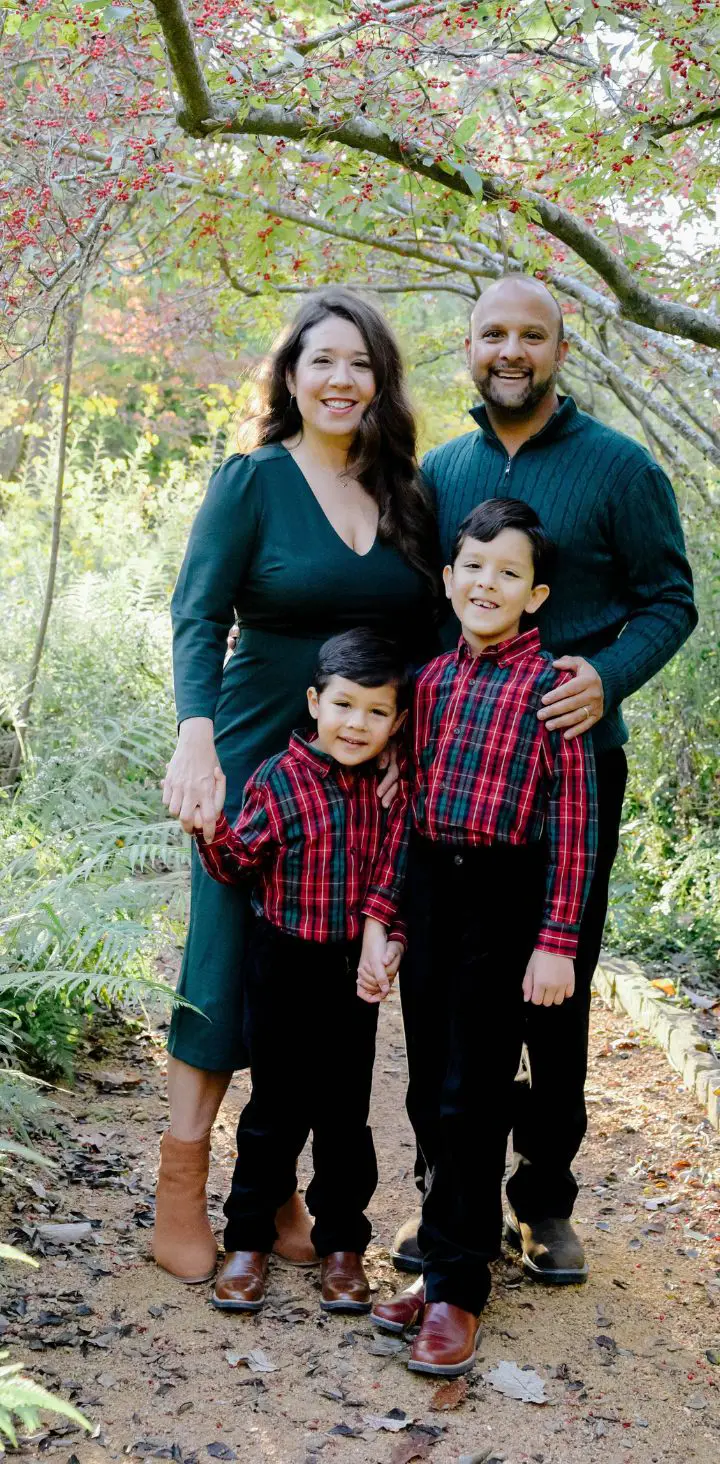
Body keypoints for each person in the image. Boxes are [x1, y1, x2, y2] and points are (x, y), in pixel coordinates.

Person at [389, 274, 697, 1284]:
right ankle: (445, 1188)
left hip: (569, 783)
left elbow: (670, 602)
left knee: (548, 1005)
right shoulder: (442, 471)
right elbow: (427, 616)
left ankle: (544, 1197)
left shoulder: (619, 468)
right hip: (454, 792)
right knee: (438, 1015)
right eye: (492, 333)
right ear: (469, 347)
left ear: (561, 350)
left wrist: (604, 679)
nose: (509, 350)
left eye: (532, 334)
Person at [154, 289, 439, 1284]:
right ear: (291, 375)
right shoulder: (253, 481)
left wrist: (415, 751)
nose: (340, 379)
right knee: (228, 959)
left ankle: (276, 1194)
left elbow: (429, 639)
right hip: (251, 750)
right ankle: (180, 1191)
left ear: (380, 380)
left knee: (316, 980)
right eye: (321, 359)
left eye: (359, 363)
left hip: (363, 769)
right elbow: (198, 615)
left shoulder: (407, 492)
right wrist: (198, 744)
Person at [369, 499, 597, 1375]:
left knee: (473, 1096)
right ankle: (441, 1259)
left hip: (506, 900)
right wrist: (387, 918)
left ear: (534, 596)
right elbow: (405, 816)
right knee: (430, 1090)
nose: (487, 583)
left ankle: (457, 1291)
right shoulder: (428, 683)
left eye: (509, 573)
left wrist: (558, 941)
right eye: (474, 567)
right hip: (432, 886)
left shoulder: (555, 692)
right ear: (449, 578)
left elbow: (573, 826)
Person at [191, 630, 409, 1313]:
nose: (358, 724)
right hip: (281, 962)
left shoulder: (390, 787)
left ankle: (341, 1244)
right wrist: (207, 828)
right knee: (274, 1112)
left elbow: (396, 872)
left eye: (378, 712)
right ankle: (249, 1240)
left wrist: (387, 935)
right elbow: (237, 862)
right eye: (345, 705)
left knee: (345, 1115)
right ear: (315, 702)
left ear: (397, 721)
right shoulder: (278, 779)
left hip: (351, 972)